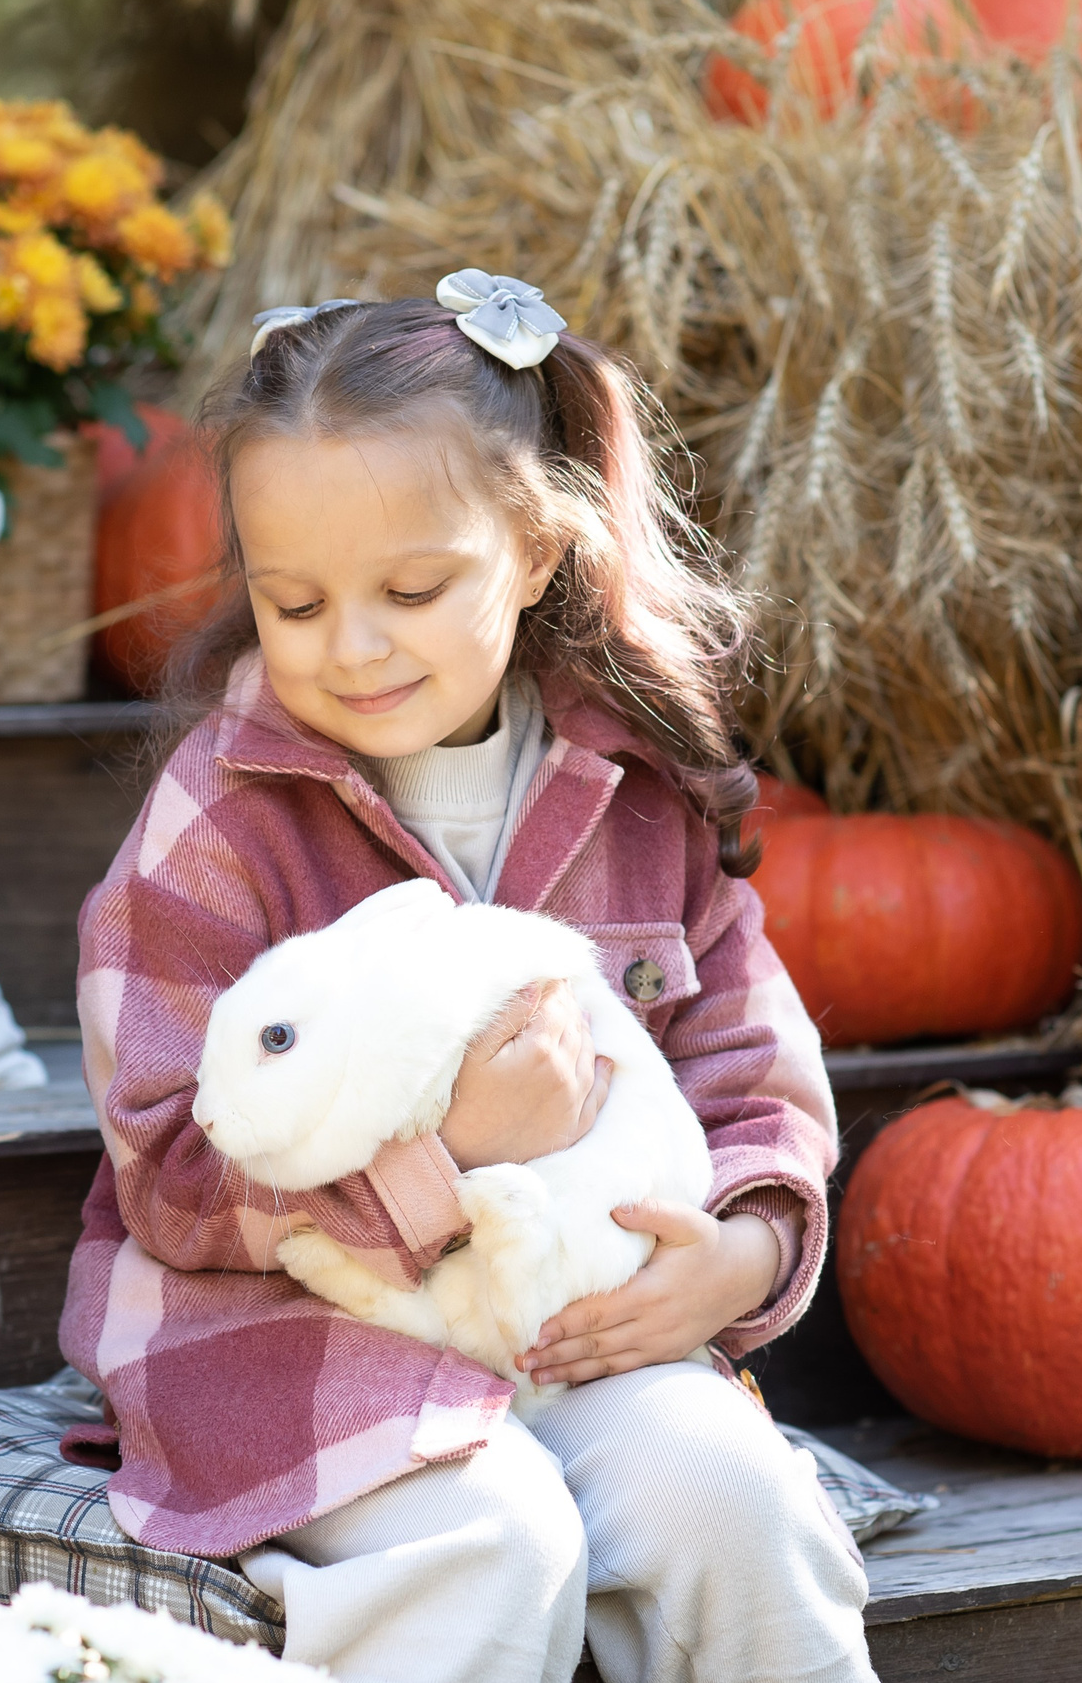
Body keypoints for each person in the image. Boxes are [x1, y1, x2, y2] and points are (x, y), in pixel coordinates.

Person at [57, 272, 875, 1683]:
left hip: (572, 1327)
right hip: (297, 1337)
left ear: (537, 551)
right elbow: (171, 1166)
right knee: (498, 1539)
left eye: (413, 591)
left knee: (734, 1501)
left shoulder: (635, 790)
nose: (353, 645)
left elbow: (751, 1068)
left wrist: (740, 1253)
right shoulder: (220, 823)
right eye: (294, 602)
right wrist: (450, 1157)